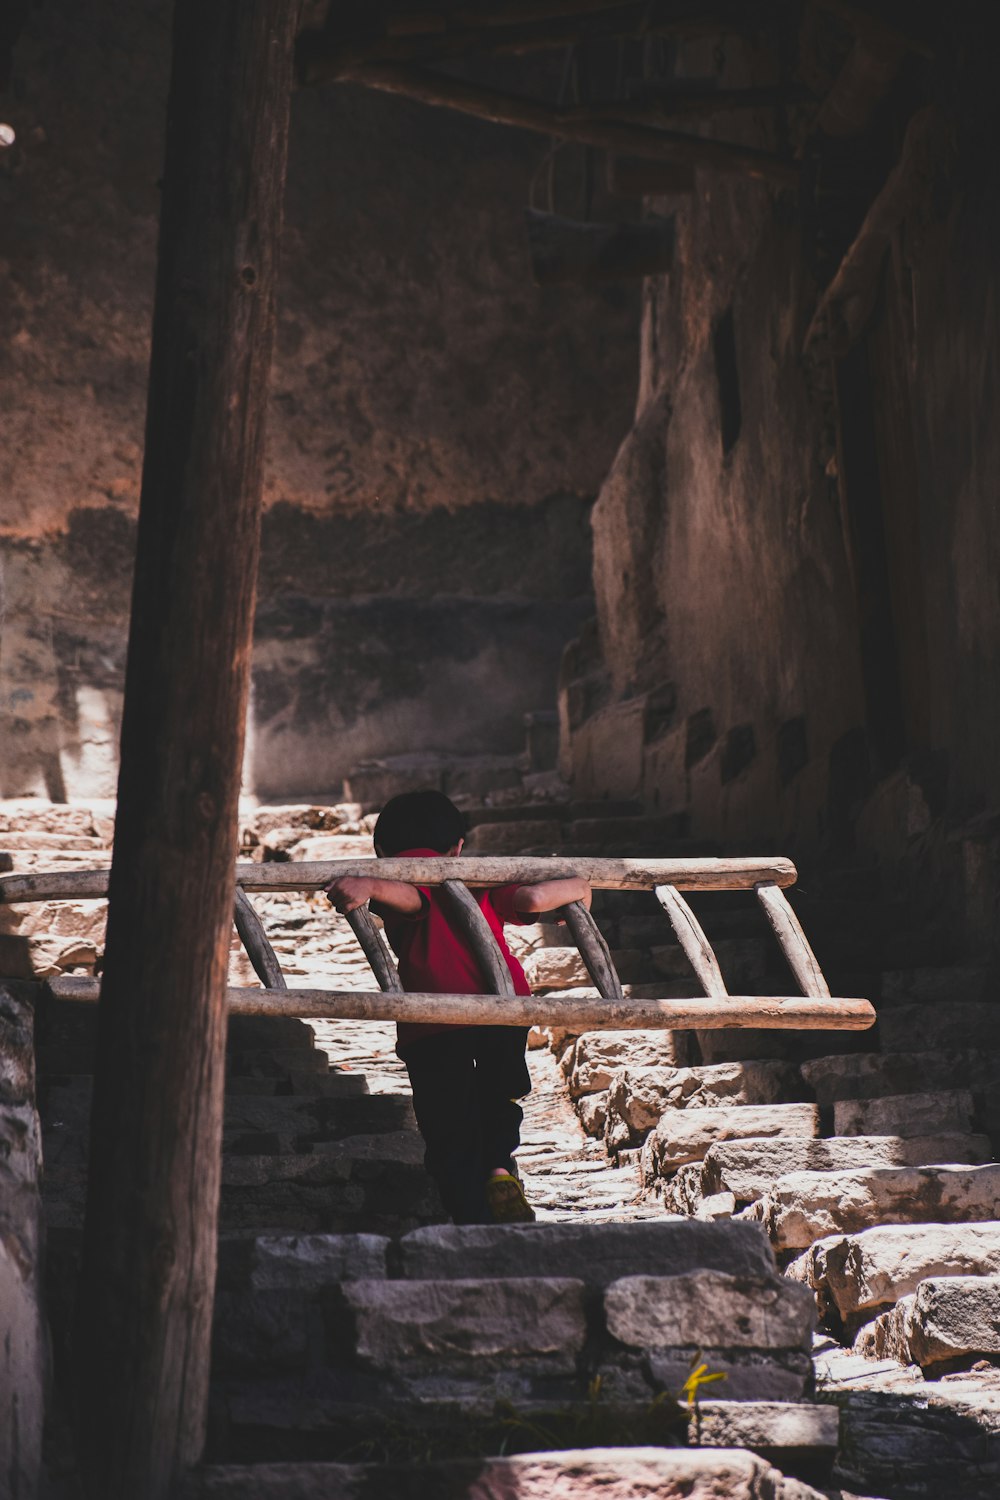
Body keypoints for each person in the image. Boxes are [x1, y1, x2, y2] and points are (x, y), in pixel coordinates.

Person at [324, 789, 591, 1226]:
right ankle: (499, 1169)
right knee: (498, 1097)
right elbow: (531, 901)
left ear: (383, 853)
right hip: (502, 1012)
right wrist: (580, 886)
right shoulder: (479, 879)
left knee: (447, 1117)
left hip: (434, 1022)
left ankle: (468, 1212)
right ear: (458, 847)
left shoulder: (403, 884)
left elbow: (413, 902)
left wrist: (370, 884)